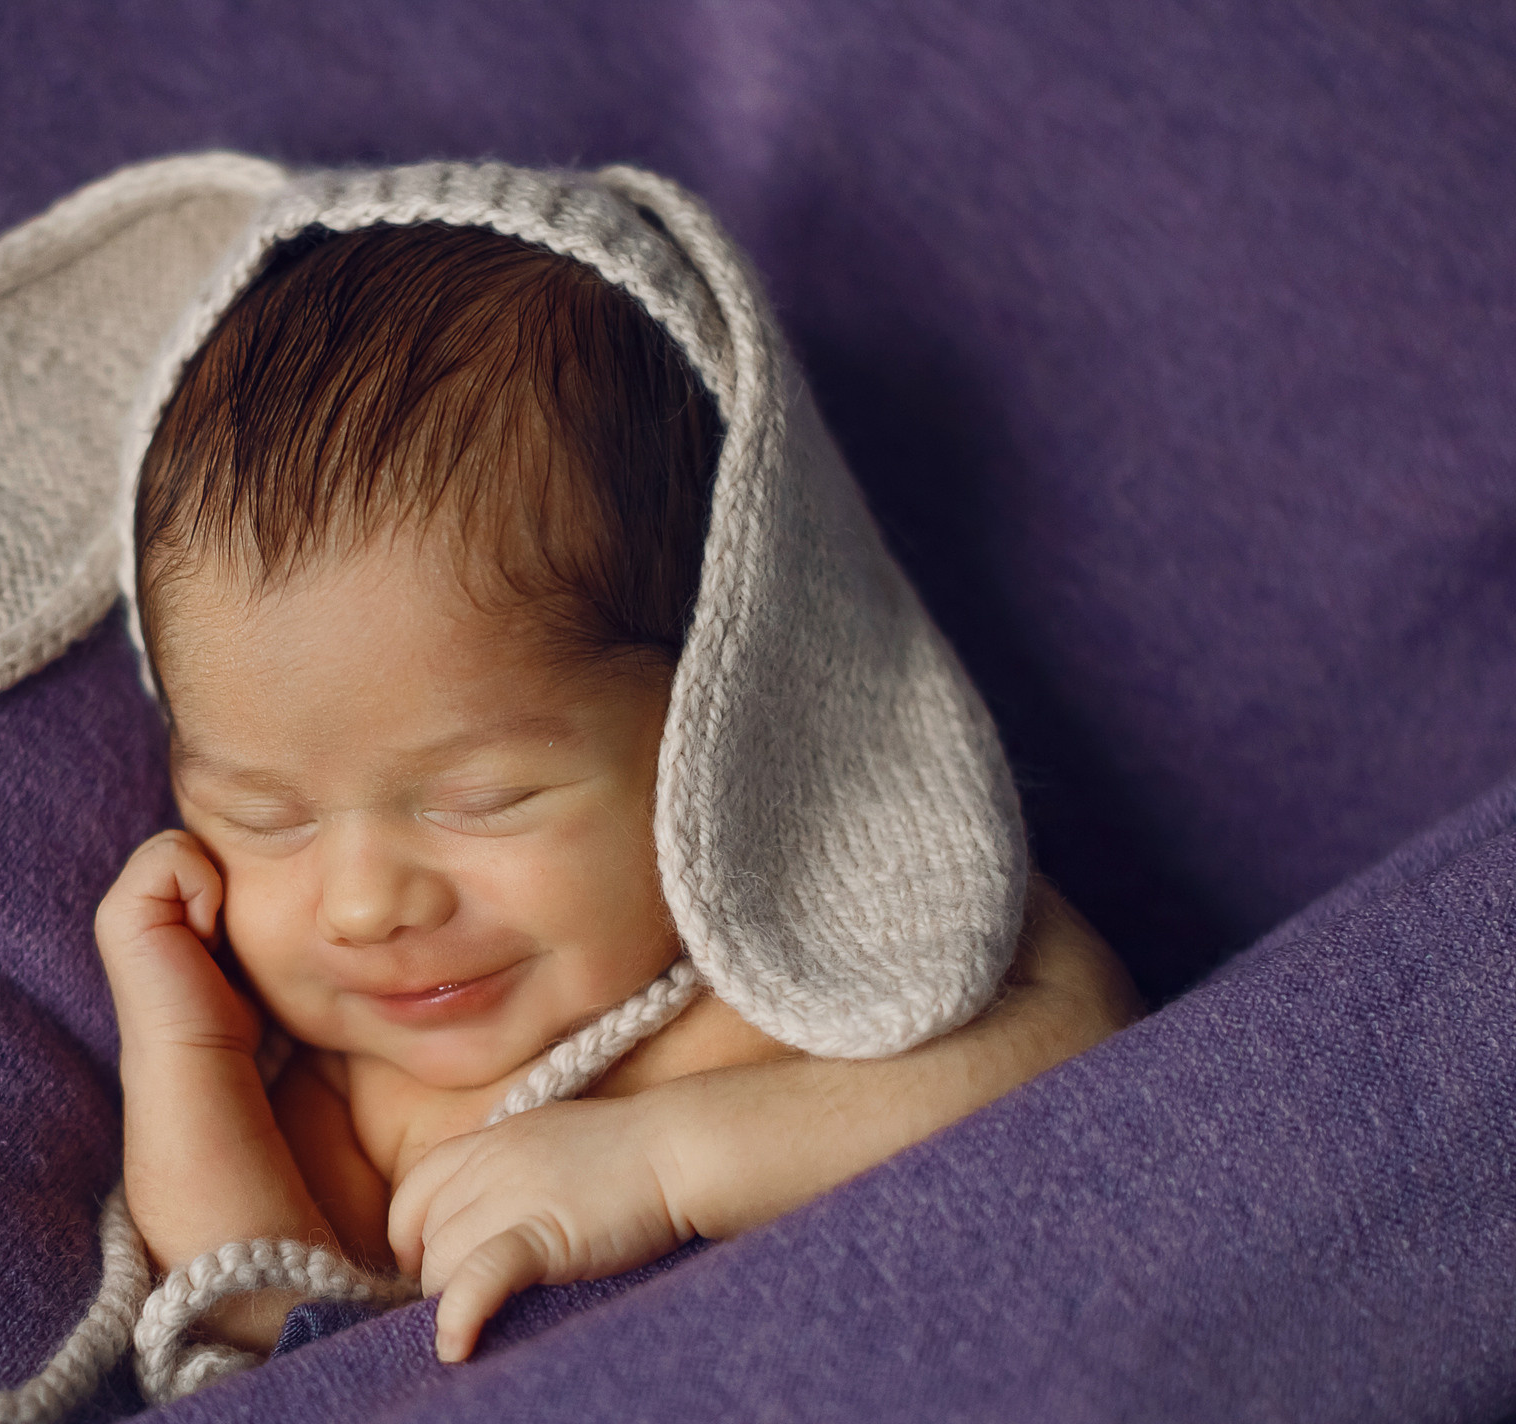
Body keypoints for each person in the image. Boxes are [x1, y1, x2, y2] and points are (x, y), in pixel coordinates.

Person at [96, 220, 1141, 1365]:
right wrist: (182, 1051)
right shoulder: (361, 1097)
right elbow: (261, 1319)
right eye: (265, 818)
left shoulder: (837, 924)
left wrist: (669, 1160)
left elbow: (1078, 1033)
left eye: (479, 798)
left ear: (726, 714)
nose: (360, 906)